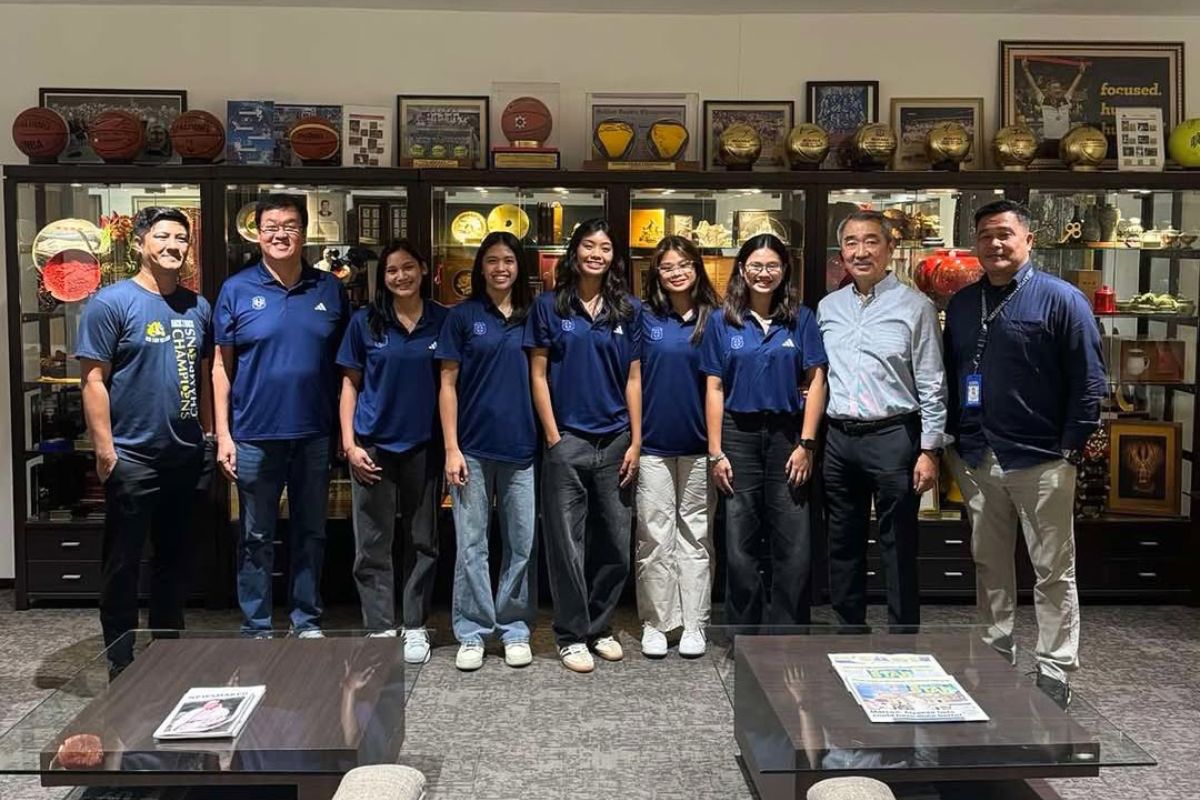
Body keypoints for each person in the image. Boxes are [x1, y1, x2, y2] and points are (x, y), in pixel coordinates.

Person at [943, 199, 1107, 708]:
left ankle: (1055, 665)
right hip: (977, 454)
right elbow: (952, 374)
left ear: (1028, 240)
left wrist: (1070, 445)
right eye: (985, 235)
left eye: (1005, 234)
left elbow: (1089, 380)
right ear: (975, 243)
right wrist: (954, 439)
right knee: (989, 562)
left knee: (1053, 568)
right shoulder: (964, 303)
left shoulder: (1062, 300)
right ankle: (995, 649)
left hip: (1041, 457)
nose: (995, 243)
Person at [76, 206, 212, 677]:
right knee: (123, 564)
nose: (173, 246)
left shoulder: (197, 306)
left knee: (174, 563)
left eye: (181, 238)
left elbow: (202, 375)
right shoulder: (110, 303)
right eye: (163, 236)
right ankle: (120, 660)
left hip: (186, 456)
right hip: (132, 457)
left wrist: (208, 435)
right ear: (139, 243)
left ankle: (166, 655)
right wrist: (105, 450)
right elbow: (93, 380)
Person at [213, 194, 349, 638]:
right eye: (270, 226)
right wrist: (223, 434)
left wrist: (345, 432)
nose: (280, 234)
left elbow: (347, 368)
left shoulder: (329, 289)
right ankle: (256, 625)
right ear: (257, 234)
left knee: (311, 532)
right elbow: (220, 367)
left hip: (314, 433)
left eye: (290, 226)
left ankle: (306, 619)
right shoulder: (236, 289)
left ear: (304, 233)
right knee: (255, 536)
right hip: (254, 434)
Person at [817, 210, 949, 629]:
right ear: (842, 252)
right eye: (851, 242)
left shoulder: (916, 307)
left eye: (871, 241)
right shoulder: (828, 307)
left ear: (890, 248)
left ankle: (903, 633)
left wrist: (930, 450)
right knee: (843, 539)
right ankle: (849, 627)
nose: (861, 251)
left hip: (894, 436)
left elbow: (932, 380)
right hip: (839, 438)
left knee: (898, 541)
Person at [525, 218, 642, 673]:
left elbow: (634, 378)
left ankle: (600, 625)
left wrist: (635, 439)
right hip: (568, 440)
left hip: (615, 440)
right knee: (566, 544)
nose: (597, 254)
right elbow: (538, 374)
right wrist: (553, 436)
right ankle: (571, 634)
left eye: (605, 247)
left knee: (615, 540)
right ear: (575, 251)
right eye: (589, 246)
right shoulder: (549, 306)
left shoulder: (627, 309)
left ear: (614, 257)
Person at [700, 233, 827, 627]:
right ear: (742, 269)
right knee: (739, 541)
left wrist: (807, 444)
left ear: (784, 270)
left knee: (794, 540)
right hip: (737, 435)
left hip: (788, 437)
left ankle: (789, 631)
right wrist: (716, 452)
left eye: (772, 265)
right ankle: (744, 632)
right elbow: (714, 387)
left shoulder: (801, 319)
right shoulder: (722, 321)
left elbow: (817, 380)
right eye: (756, 265)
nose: (764, 273)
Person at [338, 240, 448, 664]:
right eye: (391, 271)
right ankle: (380, 625)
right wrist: (349, 444)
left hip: (425, 445)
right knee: (372, 543)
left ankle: (415, 624)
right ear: (382, 278)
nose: (400, 276)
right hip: (373, 446)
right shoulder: (365, 322)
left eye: (407, 267)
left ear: (423, 269)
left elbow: (451, 385)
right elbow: (350, 385)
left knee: (423, 540)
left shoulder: (443, 320)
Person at [437, 231, 537, 672]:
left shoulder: (534, 315)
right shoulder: (462, 316)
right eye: (492, 260)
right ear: (481, 266)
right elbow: (447, 384)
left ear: (519, 267)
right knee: (472, 545)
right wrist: (451, 447)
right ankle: (473, 631)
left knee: (522, 544)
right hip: (472, 450)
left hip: (522, 448)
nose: (501, 268)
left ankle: (514, 629)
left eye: (508, 260)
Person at [636, 235, 720, 659]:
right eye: (667, 266)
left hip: (699, 446)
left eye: (684, 264)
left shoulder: (715, 317)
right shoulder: (644, 316)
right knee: (654, 537)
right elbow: (632, 378)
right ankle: (657, 623)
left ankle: (694, 623)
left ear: (697, 268)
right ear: (657, 272)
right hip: (652, 445)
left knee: (696, 537)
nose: (676, 273)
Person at [1021, 58, 1087, 141]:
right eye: (1055, 88)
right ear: (1049, 91)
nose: (1058, 90)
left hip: (1064, 141)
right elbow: (1034, 86)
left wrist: (1080, 73)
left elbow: (1073, 86)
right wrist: (1026, 70)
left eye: (1059, 88)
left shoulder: (1066, 100)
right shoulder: (1043, 101)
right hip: (1049, 140)